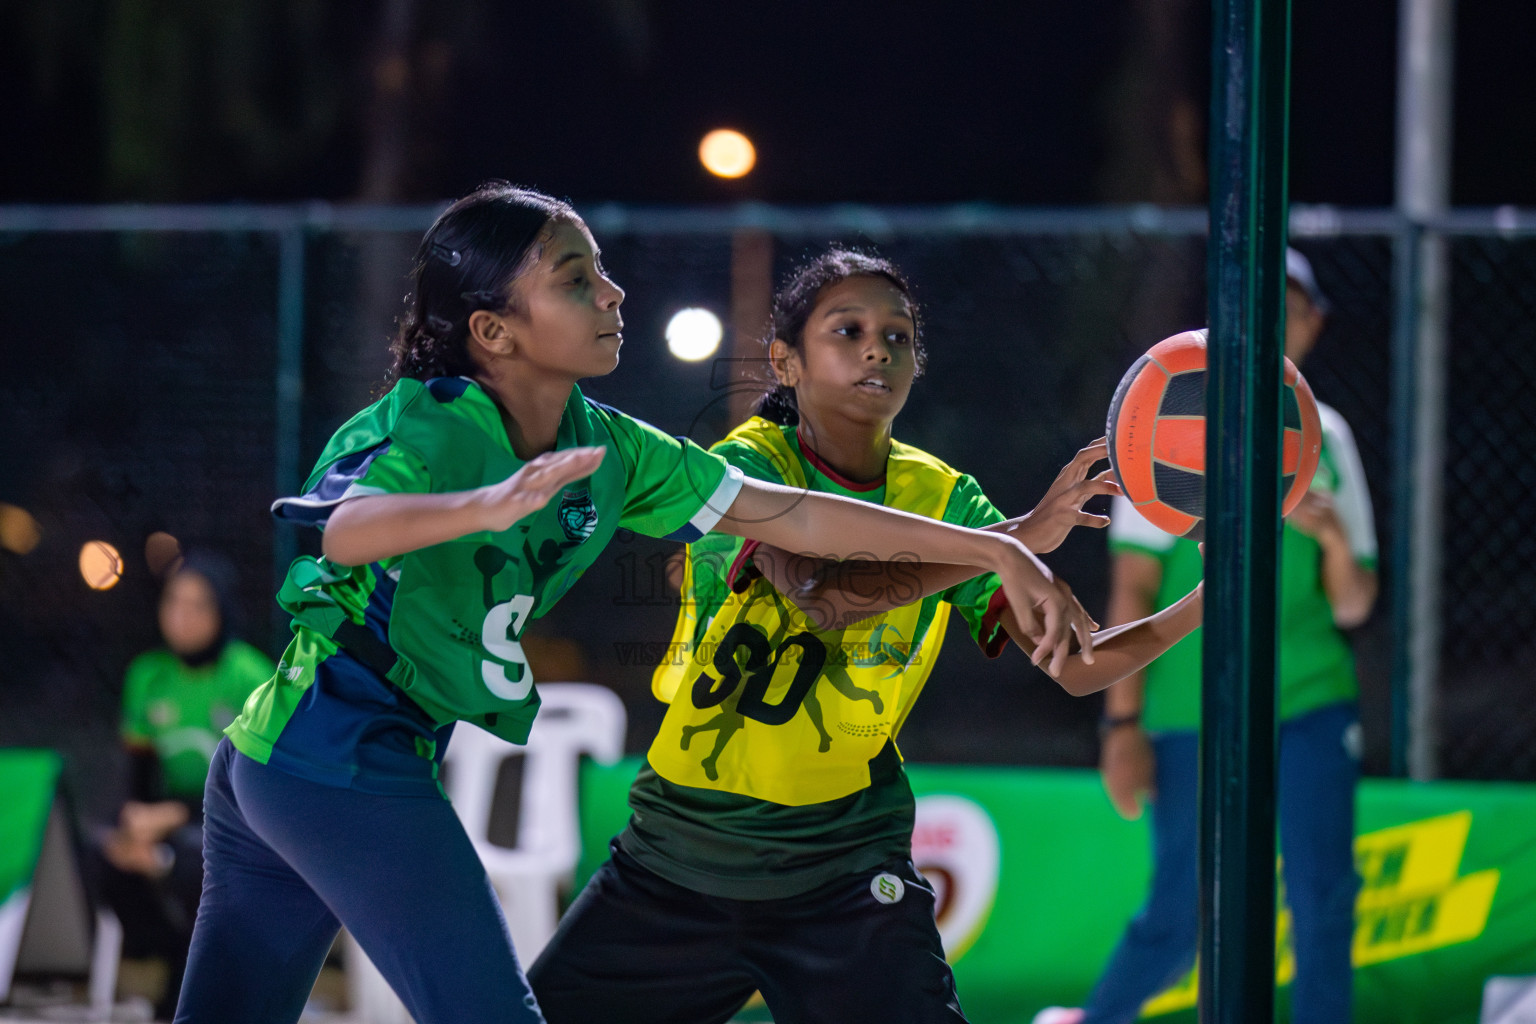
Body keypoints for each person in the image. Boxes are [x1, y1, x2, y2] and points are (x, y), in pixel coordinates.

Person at [173, 186, 1101, 1024]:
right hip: (333, 752)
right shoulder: (432, 425)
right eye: (578, 279)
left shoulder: (611, 448)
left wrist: (993, 544)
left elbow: (796, 516)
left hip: (281, 757)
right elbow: (341, 529)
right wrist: (481, 507)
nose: (613, 294)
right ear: (495, 332)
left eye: (604, 273)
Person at [528, 249, 1208, 1024]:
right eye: (846, 330)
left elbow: (1080, 666)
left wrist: (1211, 596)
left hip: (846, 869)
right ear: (785, 360)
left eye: (899, 335)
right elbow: (821, 596)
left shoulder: (946, 496)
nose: (878, 348)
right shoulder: (745, 467)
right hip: (681, 855)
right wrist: (1004, 542)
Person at [1035, 248, 1378, 1024]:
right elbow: (1132, 591)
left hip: (1308, 699)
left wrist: (1327, 541)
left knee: (1323, 893)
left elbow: (1355, 606)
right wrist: (1121, 726)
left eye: (1286, 309)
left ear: (1313, 324)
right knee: (1184, 907)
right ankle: (1095, 1019)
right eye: (1254, 310)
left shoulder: (1328, 438)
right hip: (1190, 708)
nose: (1269, 326)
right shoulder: (1165, 422)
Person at [100, 553, 274, 1020]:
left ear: (222, 612)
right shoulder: (148, 675)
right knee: (104, 858)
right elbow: (136, 772)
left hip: (241, 823)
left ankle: (190, 992)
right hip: (168, 818)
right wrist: (133, 825)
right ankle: (174, 963)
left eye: (199, 605)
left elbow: (255, 786)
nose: (183, 616)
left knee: (190, 856)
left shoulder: (250, 676)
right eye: (174, 602)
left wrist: (170, 820)